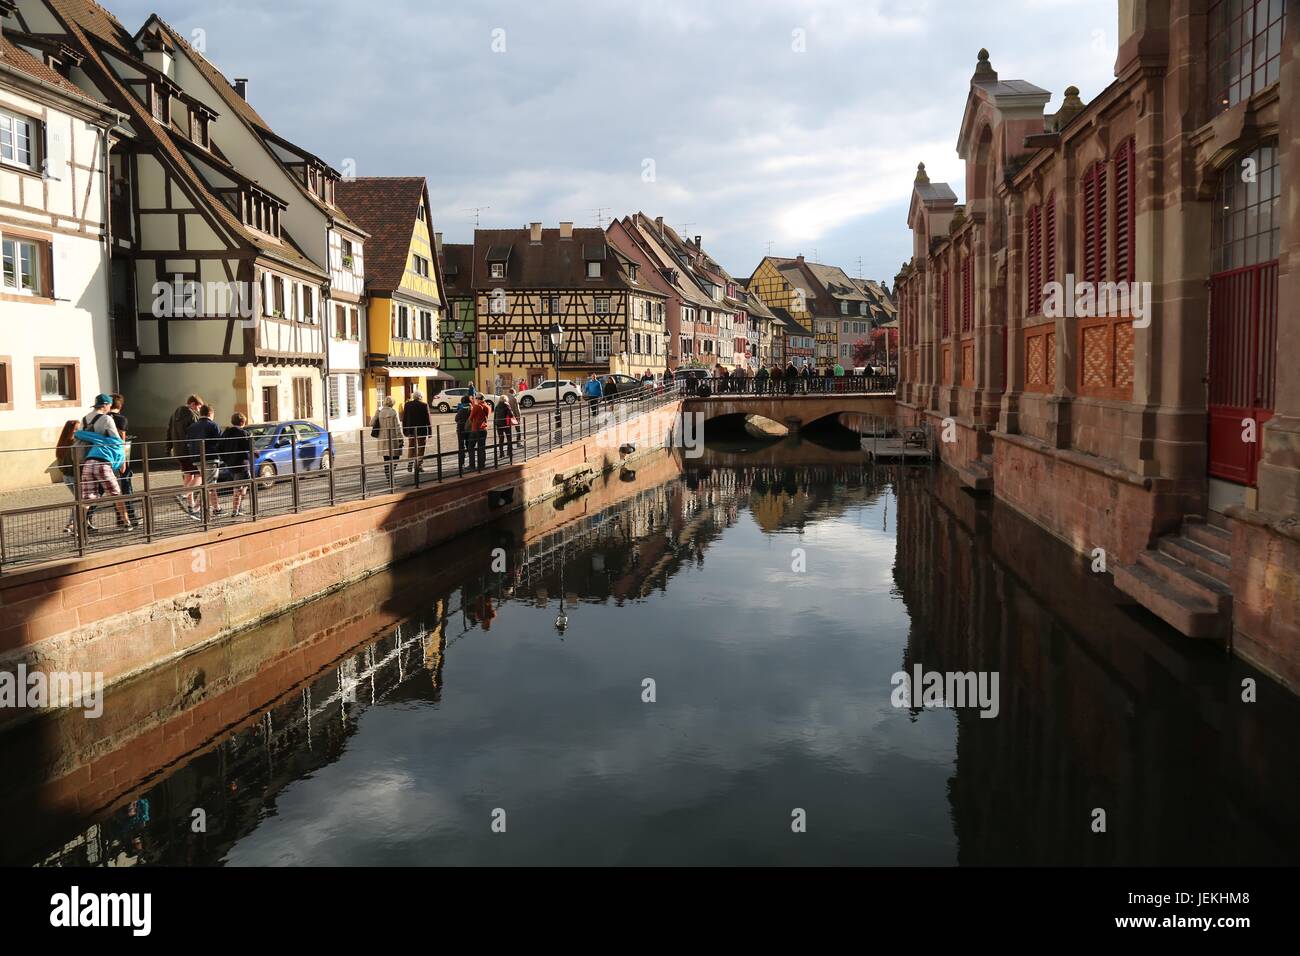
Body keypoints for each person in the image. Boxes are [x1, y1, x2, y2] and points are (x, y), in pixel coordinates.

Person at [73, 394, 133, 533]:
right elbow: (116, 440)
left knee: (87, 498)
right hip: (103, 462)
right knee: (116, 494)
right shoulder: (107, 419)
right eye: (109, 406)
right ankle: (126, 522)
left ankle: (76, 527)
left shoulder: (84, 419)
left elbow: (80, 435)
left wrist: (96, 439)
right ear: (106, 405)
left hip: (87, 460)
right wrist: (122, 460)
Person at [183, 404, 222, 518]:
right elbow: (220, 442)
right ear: (210, 414)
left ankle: (214, 508)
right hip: (210, 458)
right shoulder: (213, 425)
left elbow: (188, 442)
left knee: (208, 484)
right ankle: (200, 509)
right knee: (209, 484)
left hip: (196, 458)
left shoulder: (192, 427)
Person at [168, 394, 202, 513]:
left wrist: (168, 448)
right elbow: (195, 434)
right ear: (193, 404)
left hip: (178, 450)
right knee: (200, 475)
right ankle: (184, 493)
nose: (199, 410)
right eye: (198, 407)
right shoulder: (192, 415)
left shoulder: (174, 415)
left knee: (189, 475)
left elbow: (169, 432)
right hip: (189, 451)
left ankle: (190, 504)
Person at [217, 412, 253, 517]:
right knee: (239, 487)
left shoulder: (226, 433)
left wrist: (226, 459)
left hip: (231, 464)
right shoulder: (243, 433)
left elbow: (219, 448)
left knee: (243, 484)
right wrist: (251, 439)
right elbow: (248, 447)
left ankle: (238, 507)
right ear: (242, 422)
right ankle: (235, 510)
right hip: (242, 464)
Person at [371, 396, 403, 482]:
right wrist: (400, 438)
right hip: (393, 438)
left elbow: (371, 423)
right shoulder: (393, 412)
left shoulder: (379, 412)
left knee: (386, 458)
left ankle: (388, 476)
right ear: (392, 403)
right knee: (396, 456)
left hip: (382, 439)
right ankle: (391, 475)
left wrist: (376, 415)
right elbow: (398, 426)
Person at [402, 390, 432, 473]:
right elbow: (428, 420)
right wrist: (430, 432)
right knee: (421, 448)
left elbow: (404, 418)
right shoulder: (424, 405)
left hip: (410, 430)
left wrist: (404, 430)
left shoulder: (407, 405)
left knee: (411, 447)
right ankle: (418, 465)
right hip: (421, 430)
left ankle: (410, 463)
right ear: (420, 397)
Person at [467, 394, 490, 471]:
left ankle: (472, 465)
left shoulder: (476, 407)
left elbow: (471, 418)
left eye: (476, 398)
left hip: (476, 429)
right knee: (481, 447)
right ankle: (481, 465)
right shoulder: (487, 407)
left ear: (478, 399)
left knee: (471, 446)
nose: (475, 399)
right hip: (484, 429)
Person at [493, 391, 515, 461]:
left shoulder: (497, 406)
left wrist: (495, 423)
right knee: (509, 438)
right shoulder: (506, 405)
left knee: (501, 439)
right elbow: (511, 415)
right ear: (506, 400)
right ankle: (509, 452)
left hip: (498, 424)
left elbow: (495, 416)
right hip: (506, 424)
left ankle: (501, 453)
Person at [454, 394, 472, 472]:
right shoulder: (472, 408)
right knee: (470, 446)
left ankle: (461, 463)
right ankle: (472, 462)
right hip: (470, 429)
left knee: (461, 446)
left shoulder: (462, 409)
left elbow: (456, 418)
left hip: (461, 429)